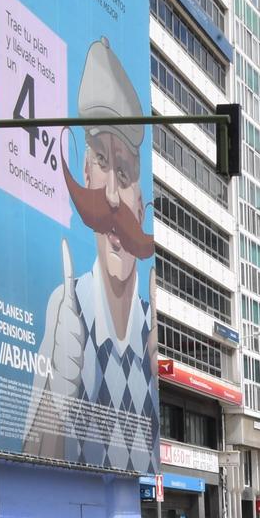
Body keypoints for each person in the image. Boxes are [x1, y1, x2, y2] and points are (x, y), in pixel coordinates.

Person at [20, 39, 155, 473]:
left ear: (141, 203)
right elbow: (31, 458)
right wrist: (54, 398)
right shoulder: (66, 308)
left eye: (126, 173)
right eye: (102, 161)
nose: (112, 195)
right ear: (85, 173)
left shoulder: (151, 328)